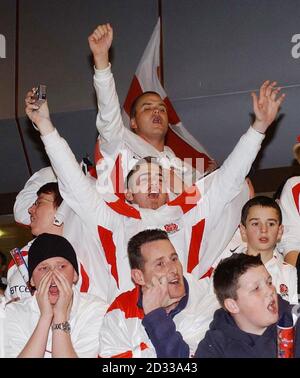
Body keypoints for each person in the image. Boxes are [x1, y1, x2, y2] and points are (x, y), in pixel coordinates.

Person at [24, 75, 285, 301]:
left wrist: (258, 128)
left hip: (186, 322)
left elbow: (228, 179)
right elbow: (72, 180)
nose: (153, 182)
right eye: (142, 179)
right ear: (128, 194)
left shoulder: (187, 214)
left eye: (159, 178)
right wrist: (45, 126)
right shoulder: (113, 219)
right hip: (129, 324)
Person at [88, 23, 216, 196]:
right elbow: (108, 112)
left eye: (162, 109)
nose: (157, 111)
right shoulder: (120, 146)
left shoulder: (185, 170)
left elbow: (199, 210)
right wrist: (102, 60)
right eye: (147, 108)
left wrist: (213, 179)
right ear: (132, 121)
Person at [99, 229, 219, 358]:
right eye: (160, 264)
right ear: (139, 277)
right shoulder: (121, 310)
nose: (174, 268)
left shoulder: (210, 300)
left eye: (174, 259)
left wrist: (155, 316)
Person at [4, 233, 107, 358]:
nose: (53, 275)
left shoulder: (96, 309)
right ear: (31, 280)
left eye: (61, 266)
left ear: (75, 274)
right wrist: (46, 316)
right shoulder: (13, 312)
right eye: (43, 268)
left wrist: (60, 316)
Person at [11, 176, 111, 303]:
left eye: (38, 203)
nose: (30, 210)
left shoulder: (88, 247)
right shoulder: (21, 258)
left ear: (62, 208)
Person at [195, 253, 300, 358]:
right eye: (256, 288)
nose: (270, 290)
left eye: (269, 282)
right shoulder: (215, 347)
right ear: (233, 306)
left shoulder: (294, 319)